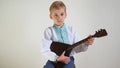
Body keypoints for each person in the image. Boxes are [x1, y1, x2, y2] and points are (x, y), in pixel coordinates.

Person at [41, 1, 94, 68]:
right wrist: (56, 58)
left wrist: (86, 44)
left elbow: (78, 48)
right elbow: (44, 50)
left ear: (66, 14)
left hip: (68, 59)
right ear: (51, 16)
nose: (59, 17)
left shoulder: (72, 30)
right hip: (53, 60)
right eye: (55, 15)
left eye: (61, 14)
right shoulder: (48, 31)